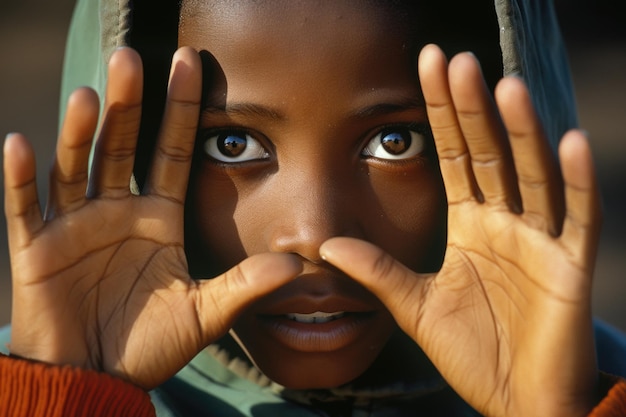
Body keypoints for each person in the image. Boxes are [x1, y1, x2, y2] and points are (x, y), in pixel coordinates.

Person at [1, 0, 626, 415]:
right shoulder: (22, 386)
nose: (313, 233)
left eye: (393, 143)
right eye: (232, 144)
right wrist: (65, 394)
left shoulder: (600, 388)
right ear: (135, 152)